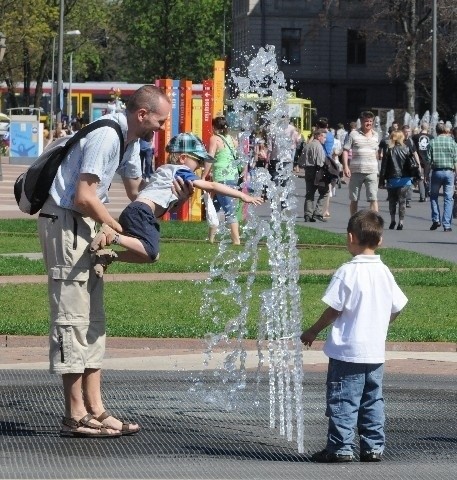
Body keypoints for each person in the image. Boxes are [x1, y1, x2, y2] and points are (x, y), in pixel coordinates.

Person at [37, 85, 193, 438]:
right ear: (142, 114)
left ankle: (96, 409)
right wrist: (115, 227)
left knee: (92, 320)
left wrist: (173, 196)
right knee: (72, 318)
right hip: (66, 222)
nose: (161, 127)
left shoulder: (131, 140)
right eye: (160, 120)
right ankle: (74, 415)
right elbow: (83, 195)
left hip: (86, 224)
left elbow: (139, 196)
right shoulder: (108, 135)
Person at [301, 210, 408, 463]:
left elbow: (334, 308)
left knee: (343, 399)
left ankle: (340, 448)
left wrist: (313, 330)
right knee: (373, 399)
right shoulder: (384, 272)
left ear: (350, 237)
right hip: (374, 351)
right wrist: (381, 323)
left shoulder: (347, 271)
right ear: (379, 240)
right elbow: (398, 306)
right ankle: (372, 447)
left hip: (347, 351)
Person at [90, 133, 263, 263]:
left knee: (151, 256)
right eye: (199, 162)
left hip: (135, 211)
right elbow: (212, 185)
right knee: (150, 251)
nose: (200, 167)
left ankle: (106, 257)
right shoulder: (181, 170)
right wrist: (242, 195)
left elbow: (162, 201)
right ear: (183, 158)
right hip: (142, 213)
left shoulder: (163, 170)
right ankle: (112, 236)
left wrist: (180, 201)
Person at [203, 116, 242, 245]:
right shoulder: (232, 139)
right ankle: (210, 238)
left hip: (221, 178)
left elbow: (210, 158)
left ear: (214, 127)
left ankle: (236, 241)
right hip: (232, 177)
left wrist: (204, 176)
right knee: (214, 207)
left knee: (229, 209)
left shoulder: (215, 139)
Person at [342, 111, 380, 215]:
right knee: (354, 198)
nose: (369, 123)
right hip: (356, 170)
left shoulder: (376, 135)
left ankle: (375, 223)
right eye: (366, 121)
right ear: (362, 122)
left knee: (373, 198)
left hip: (372, 171)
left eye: (371, 121)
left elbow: (376, 152)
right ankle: (353, 221)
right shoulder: (353, 134)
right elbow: (345, 150)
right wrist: (345, 167)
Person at [379, 131, 413, 230]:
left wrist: (381, 181)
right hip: (405, 179)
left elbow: (384, 167)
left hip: (392, 179)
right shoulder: (407, 149)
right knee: (402, 201)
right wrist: (416, 176)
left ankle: (392, 220)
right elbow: (412, 163)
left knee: (392, 201)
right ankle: (401, 222)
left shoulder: (389, 150)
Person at [427, 123, 457, 232]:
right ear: (445, 130)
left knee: (434, 196)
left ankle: (436, 219)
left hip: (436, 172)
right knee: (448, 198)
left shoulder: (432, 142)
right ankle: (447, 224)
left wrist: (427, 174)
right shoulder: (452, 142)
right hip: (449, 172)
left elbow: (428, 160)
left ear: (436, 131)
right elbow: (455, 161)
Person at [299, 128, 328, 222]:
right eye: (324, 137)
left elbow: (301, 161)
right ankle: (318, 212)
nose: (325, 139)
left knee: (309, 193)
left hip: (308, 170)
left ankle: (308, 214)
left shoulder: (307, 146)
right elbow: (320, 162)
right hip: (317, 171)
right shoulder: (318, 146)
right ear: (318, 136)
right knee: (324, 192)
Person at [412, 122, 433, 201]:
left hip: (419, 159)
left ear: (421, 127)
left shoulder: (415, 137)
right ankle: (427, 192)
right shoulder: (431, 137)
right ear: (428, 128)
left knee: (420, 178)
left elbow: (413, 148)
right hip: (428, 159)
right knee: (427, 177)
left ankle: (422, 196)